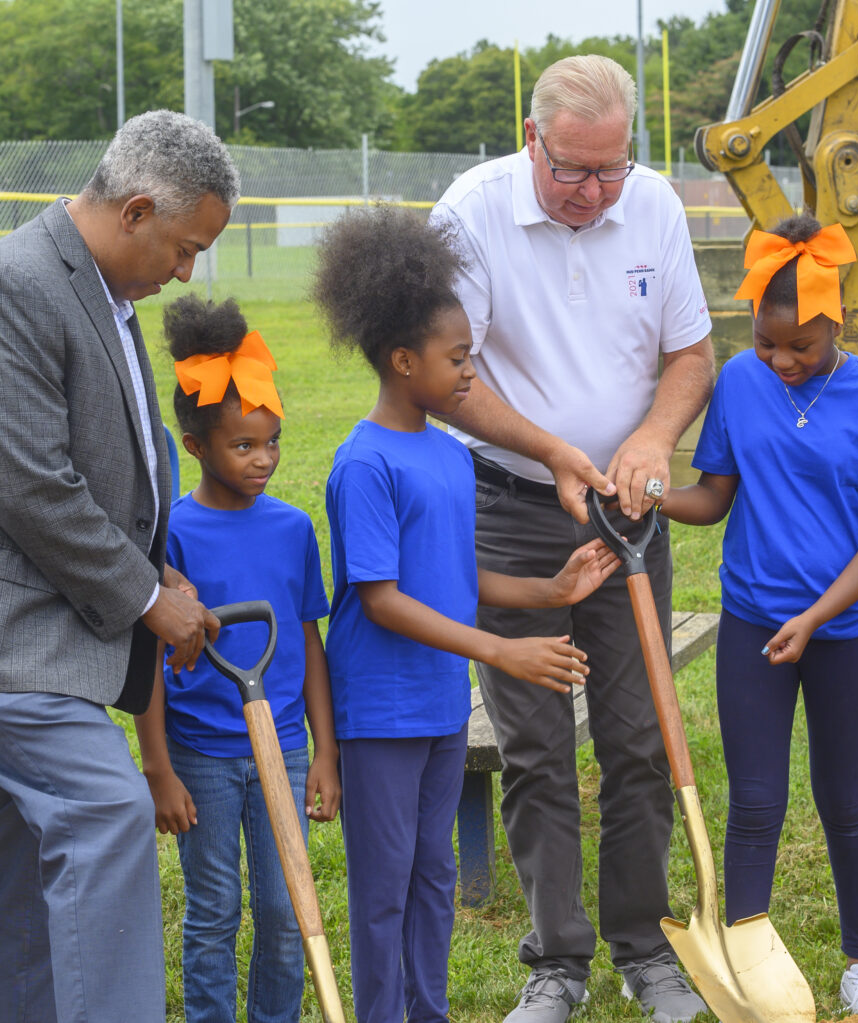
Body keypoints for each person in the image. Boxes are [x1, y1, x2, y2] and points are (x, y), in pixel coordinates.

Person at [0, 110, 236, 1022]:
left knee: (25, 851)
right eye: (186, 247)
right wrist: (148, 597)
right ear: (138, 210)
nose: (187, 271)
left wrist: (167, 572)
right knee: (106, 815)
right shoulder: (16, 285)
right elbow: (34, 485)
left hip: (34, 610)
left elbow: (116, 463)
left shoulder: (100, 290)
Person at [429, 54, 715, 1023]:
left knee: (638, 739)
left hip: (628, 510)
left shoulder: (657, 206)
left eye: (612, 171)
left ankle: (645, 949)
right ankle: (557, 962)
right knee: (537, 745)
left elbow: (691, 353)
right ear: (531, 140)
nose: (594, 194)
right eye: (573, 172)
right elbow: (450, 377)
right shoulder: (470, 212)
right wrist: (552, 449)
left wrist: (650, 436)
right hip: (513, 506)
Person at [312, 204, 621, 1023]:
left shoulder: (450, 455)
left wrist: (551, 592)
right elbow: (381, 600)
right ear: (403, 360)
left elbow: (457, 576)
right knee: (383, 887)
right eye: (458, 360)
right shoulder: (364, 462)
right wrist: (502, 651)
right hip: (381, 711)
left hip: (442, 704)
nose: (469, 376)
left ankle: (428, 1011)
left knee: (434, 876)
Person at [653, 216, 858, 1016]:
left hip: (843, 633)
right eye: (768, 343)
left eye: (799, 347)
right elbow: (713, 496)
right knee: (756, 800)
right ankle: (745, 956)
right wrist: (648, 498)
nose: (781, 361)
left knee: (846, 798)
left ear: (835, 321)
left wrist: (814, 616)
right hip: (750, 623)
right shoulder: (740, 381)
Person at [133, 295, 340, 1023]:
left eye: (272, 441)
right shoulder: (172, 536)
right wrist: (158, 766)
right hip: (202, 755)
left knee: (288, 910)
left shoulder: (292, 528)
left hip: (281, 745)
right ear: (195, 447)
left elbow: (307, 640)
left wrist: (323, 751)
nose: (263, 460)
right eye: (243, 446)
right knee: (214, 908)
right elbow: (150, 660)